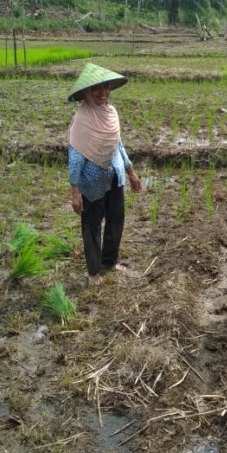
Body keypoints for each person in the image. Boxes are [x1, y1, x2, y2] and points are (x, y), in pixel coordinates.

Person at [67, 63, 142, 286]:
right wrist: (75, 190)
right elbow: (75, 157)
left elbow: (118, 145)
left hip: (115, 177)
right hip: (91, 182)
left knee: (116, 221)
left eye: (106, 87)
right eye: (96, 89)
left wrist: (131, 172)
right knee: (91, 226)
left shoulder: (111, 113)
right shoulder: (82, 120)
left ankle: (109, 262)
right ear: (87, 93)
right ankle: (93, 272)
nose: (102, 93)